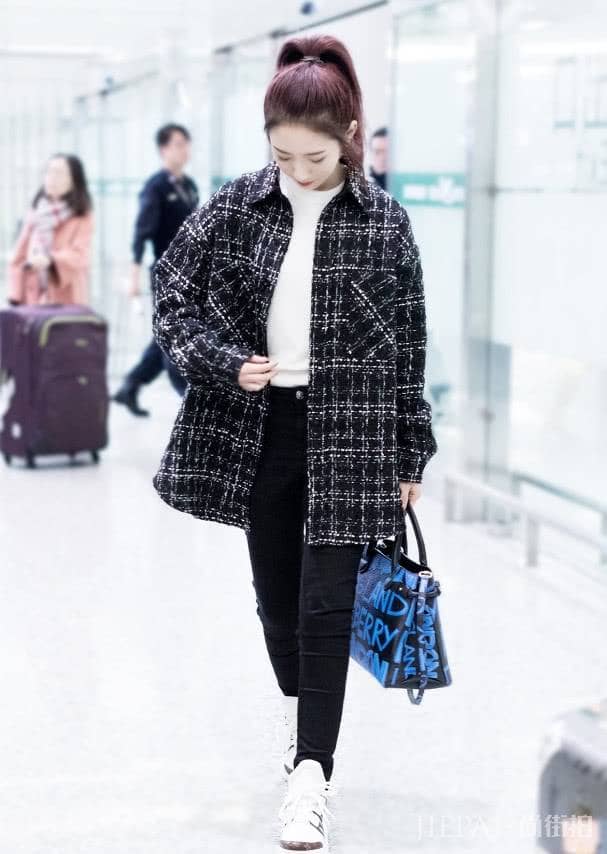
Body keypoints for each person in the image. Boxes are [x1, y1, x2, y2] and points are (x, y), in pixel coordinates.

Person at [152, 35, 437, 853]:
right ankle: (296, 718)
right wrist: (221, 362)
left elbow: (409, 345)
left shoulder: (384, 223)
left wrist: (409, 451)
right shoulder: (236, 206)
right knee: (277, 600)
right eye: (283, 156)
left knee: (326, 605)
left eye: (315, 157)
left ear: (348, 135)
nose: (299, 172)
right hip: (262, 428)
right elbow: (171, 293)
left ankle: (313, 773)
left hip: (351, 432)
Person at [112, 123, 199, 415]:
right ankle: (188, 396)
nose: (184, 150)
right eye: (178, 144)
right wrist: (134, 274)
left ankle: (131, 385)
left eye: (186, 144)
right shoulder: (156, 187)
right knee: (175, 333)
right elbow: (142, 233)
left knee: (166, 334)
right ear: (163, 150)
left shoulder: (189, 187)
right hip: (165, 273)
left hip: (189, 273)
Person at [6, 154, 93, 306]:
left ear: (74, 180)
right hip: (32, 297)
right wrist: (15, 296)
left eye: (59, 173)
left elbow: (80, 255)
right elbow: (19, 257)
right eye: (48, 171)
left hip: (66, 298)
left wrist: (50, 260)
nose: (51, 177)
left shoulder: (81, 216)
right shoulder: (35, 212)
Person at [368, 125, 388, 190]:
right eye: (377, 152)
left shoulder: (407, 188)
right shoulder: (362, 190)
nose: (383, 158)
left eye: (388, 152)